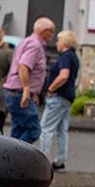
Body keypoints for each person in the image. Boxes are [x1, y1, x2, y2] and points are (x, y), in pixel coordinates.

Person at [3, 17, 55, 143]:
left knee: (18, 129)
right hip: (19, 92)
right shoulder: (35, 45)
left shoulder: (26, 41)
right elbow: (23, 66)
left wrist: (33, 92)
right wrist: (27, 89)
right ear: (44, 31)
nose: (52, 36)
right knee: (33, 129)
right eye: (51, 32)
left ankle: (10, 158)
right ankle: (18, 157)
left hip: (14, 91)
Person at [38, 30, 79, 170]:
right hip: (68, 97)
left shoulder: (64, 57)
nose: (56, 43)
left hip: (58, 96)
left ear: (65, 42)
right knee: (62, 130)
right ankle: (60, 160)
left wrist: (51, 88)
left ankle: (41, 161)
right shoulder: (74, 56)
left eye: (59, 40)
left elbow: (63, 75)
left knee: (46, 129)